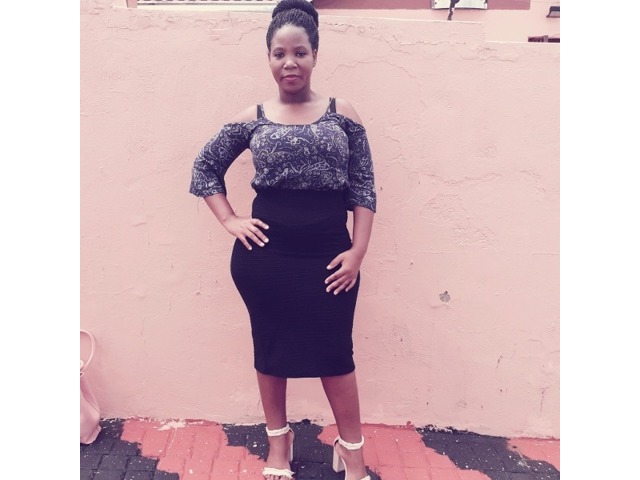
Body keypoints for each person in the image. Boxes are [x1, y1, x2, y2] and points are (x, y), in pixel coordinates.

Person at [189, 1, 376, 479]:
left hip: (330, 256)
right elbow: (205, 168)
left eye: (299, 52)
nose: (289, 62)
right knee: (270, 349)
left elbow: (363, 187)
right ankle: (279, 443)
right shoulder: (252, 117)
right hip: (265, 258)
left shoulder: (343, 113)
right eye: (279, 53)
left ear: (315, 55)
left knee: (335, 353)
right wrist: (230, 219)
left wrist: (357, 251)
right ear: (269, 58)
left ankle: (352, 450)